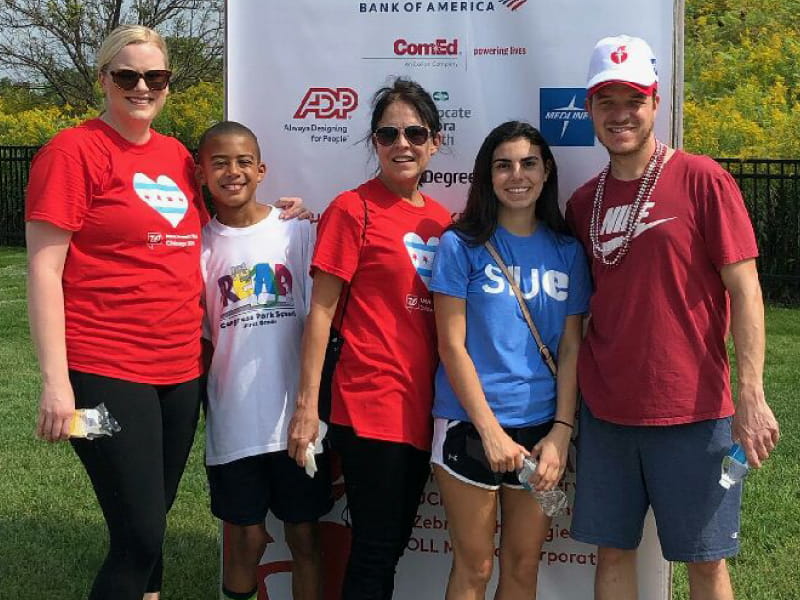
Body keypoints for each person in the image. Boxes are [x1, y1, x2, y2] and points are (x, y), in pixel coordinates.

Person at [24, 25, 304, 600]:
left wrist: (280, 212)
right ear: (104, 80)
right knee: (140, 535)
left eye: (155, 77)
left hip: (179, 376)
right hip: (103, 375)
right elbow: (43, 271)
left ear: (169, 85)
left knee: (152, 518)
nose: (142, 86)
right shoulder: (72, 152)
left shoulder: (177, 156)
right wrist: (57, 385)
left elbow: (225, 218)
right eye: (127, 76)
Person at [565, 34, 781, 600]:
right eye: (605, 101)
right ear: (588, 109)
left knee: (705, 561)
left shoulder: (702, 179)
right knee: (614, 552)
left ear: (655, 102)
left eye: (632, 100)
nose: (620, 115)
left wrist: (752, 396)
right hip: (607, 412)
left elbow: (747, 290)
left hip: (693, 409)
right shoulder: (582, 203)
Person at [287, 78, 451, 599]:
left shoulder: (443, 221)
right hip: (368, 403)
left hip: (423, 409)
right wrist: (307, 406)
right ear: (374, 143)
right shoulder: (351, 209)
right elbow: (320, 313)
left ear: (435, 142)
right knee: (377, 549)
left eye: (414, 132)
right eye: (388, 133)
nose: (402, 143)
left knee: (390, 545)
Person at [429, 121, 590, 600]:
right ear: (487, 175)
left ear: (546, 172)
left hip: (541, 430)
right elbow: (450, 345)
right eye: (503, 165)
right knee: (475, 567)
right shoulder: (460, 245)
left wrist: (561, 430)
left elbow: (570, 347)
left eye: (528, 163)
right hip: (469, 427)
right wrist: (490, 430)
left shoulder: (567, 251)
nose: (516, 175)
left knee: (523, 567)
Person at [197, 121, 333, 600]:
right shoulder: (200, 246)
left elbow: (323, 312)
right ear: (203, 173)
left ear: (260, 170)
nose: (232, 172)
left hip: (296, 419)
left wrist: (310, 406)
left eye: (241, 162)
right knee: (247, 541)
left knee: (305, 537)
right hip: (234, 419)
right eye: (219, 163)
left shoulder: (295, 233)